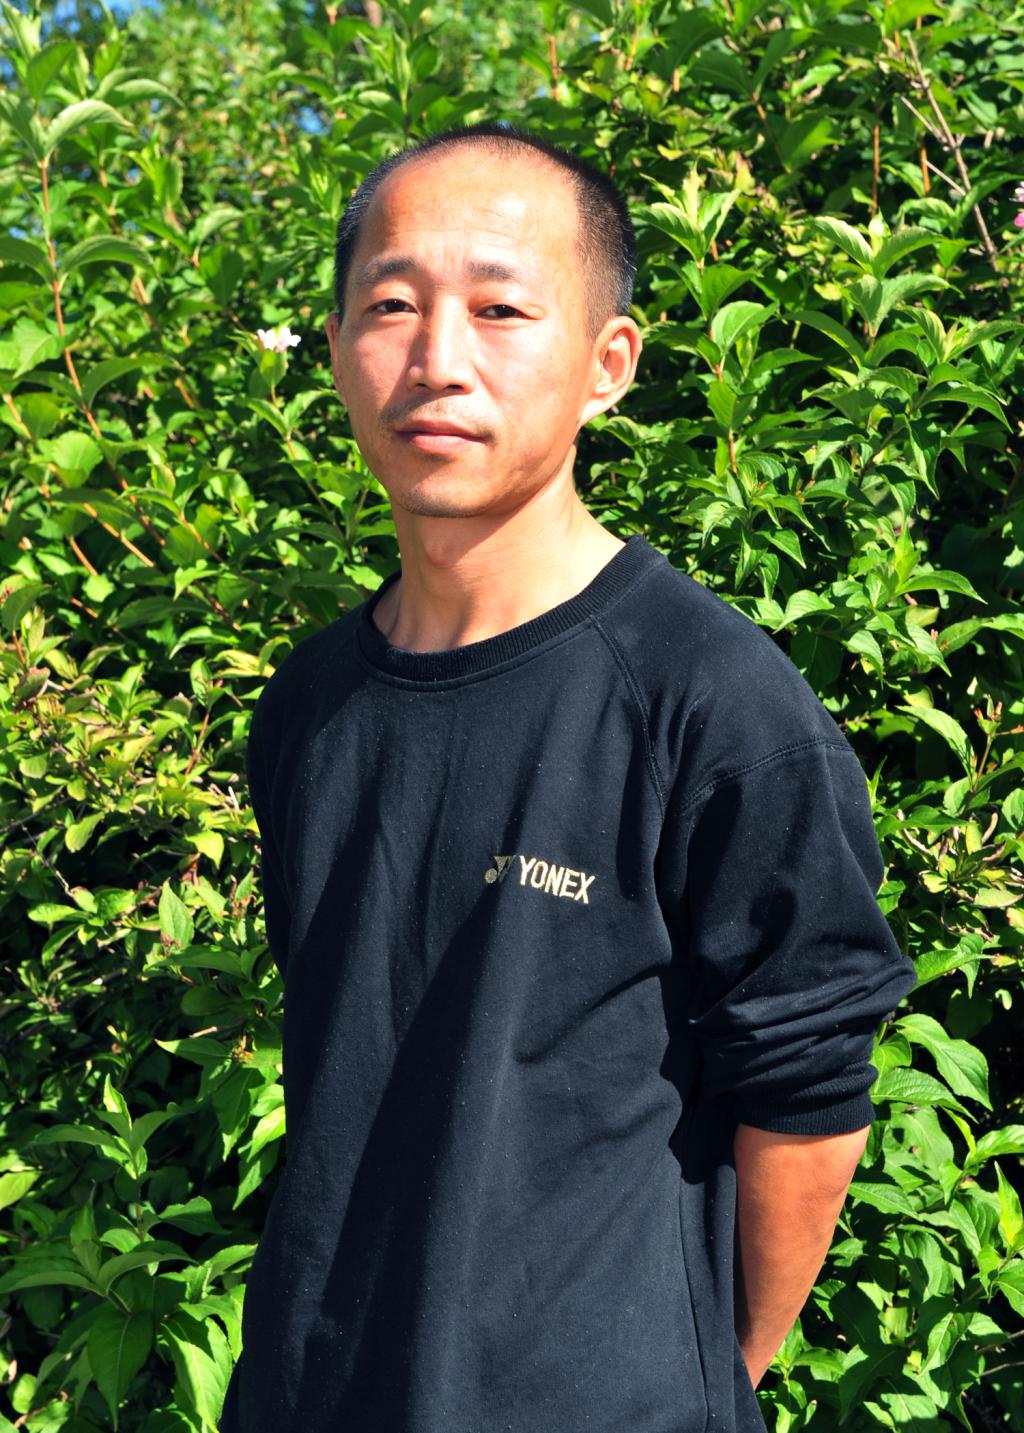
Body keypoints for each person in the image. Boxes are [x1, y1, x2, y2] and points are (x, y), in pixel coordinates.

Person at [220, 120, 918, 1433]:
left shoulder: (713, 704)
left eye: (500, 308)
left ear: (609, 365)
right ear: (337, 349)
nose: (438, 358)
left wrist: (700, 1380)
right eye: (390, 305)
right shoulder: (312, 707)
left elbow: (810, 1108)